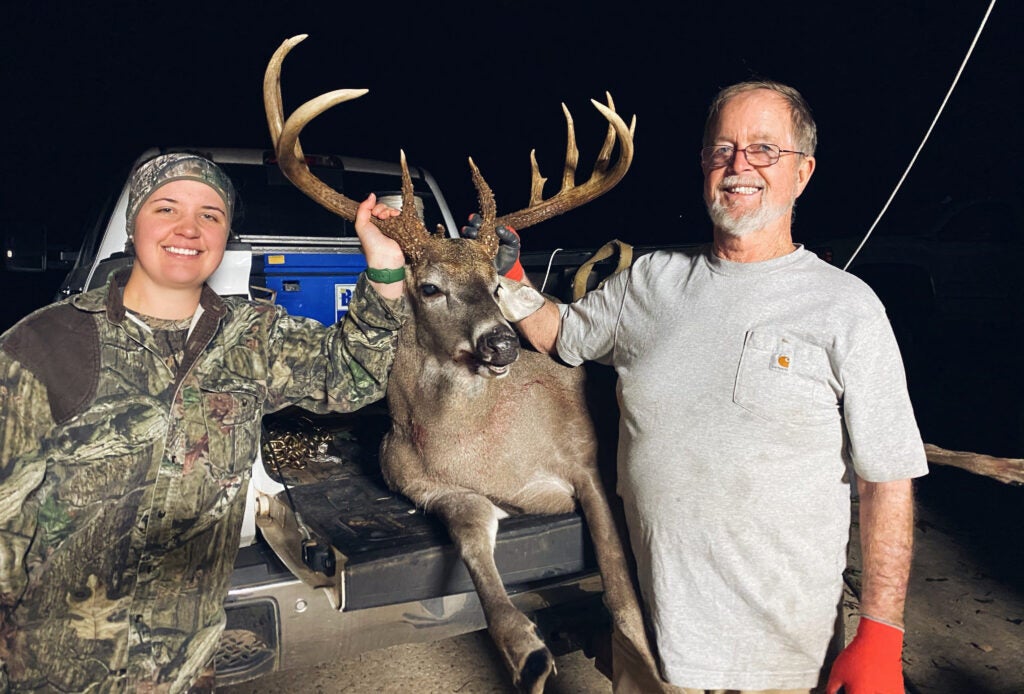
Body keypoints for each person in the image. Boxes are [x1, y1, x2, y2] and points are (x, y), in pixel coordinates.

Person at [495, 81, 928, 693]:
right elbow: (559, 334)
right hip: (649, 639)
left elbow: (887, 477)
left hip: (782, 655)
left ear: (802, 173)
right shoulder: (650, 281)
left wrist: (881, 633)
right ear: (703, 167)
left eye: (763, 150)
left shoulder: (846, 308)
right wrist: (507, 274)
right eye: (721, 150)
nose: (738, 166)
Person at [0, 152, 408, 691]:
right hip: (55, 671)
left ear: (226, 236)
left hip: (188, 666)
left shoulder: (253, 335)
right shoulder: (44, 343)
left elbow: (352, 372)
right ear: (134, 225)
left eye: (211, 215)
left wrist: (382, 266)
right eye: (166, 208)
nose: (188, 229)